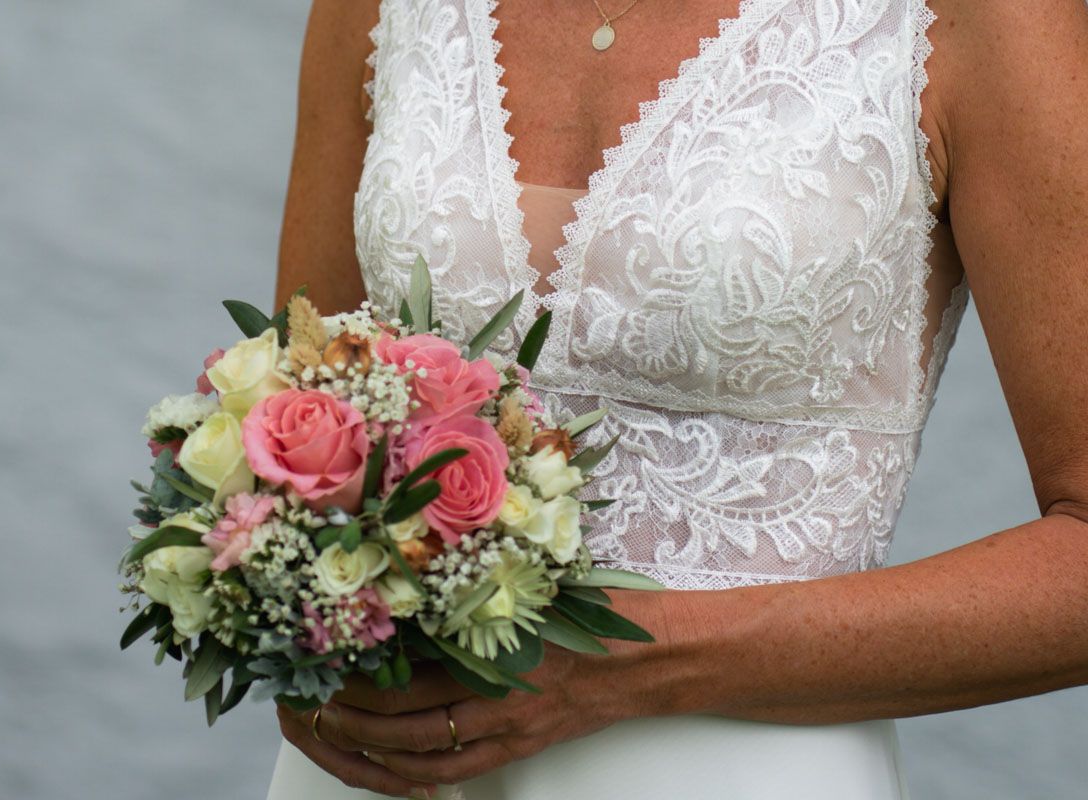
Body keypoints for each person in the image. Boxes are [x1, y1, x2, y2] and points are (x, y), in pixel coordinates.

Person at [264, 1, 1088, 798]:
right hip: (391, 764)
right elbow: (299, 413)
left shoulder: (982, 18)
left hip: (738, 772)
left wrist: (628, 661)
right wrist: (294, 633)